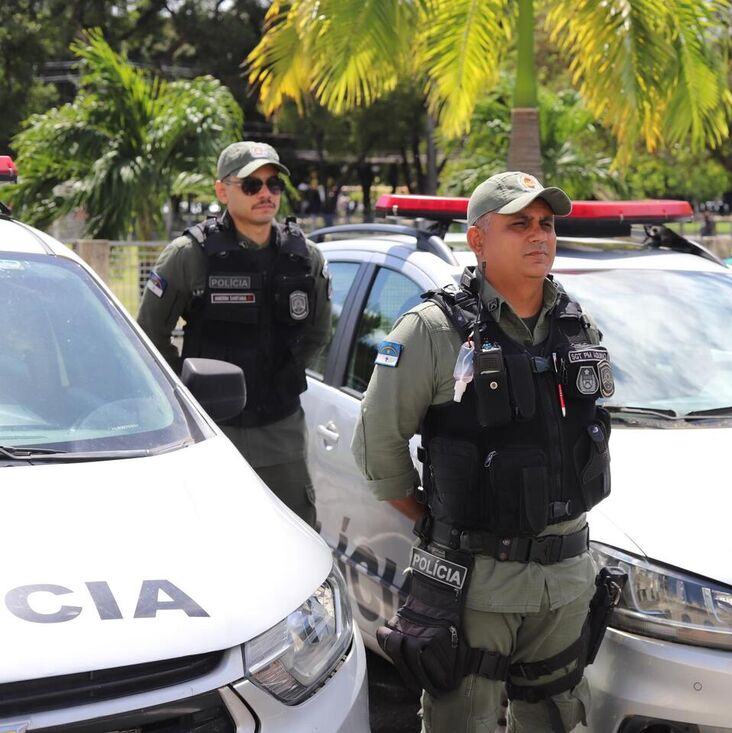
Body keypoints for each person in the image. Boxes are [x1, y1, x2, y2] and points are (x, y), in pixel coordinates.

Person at [355, 172, 621, 731]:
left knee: (557, 718)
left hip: (567, 581)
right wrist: (437, 519)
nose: (539, 235)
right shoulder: (431, 329)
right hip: (475, 582)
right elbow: (378, 447)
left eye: (546, 224)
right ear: (477, 241)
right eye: (519, 223)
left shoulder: (577, 324)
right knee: (464, 721)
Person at [137, 141, 332, 526]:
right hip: (209, 431)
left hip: (281, 431)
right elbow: (149, 336)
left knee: (295, 538)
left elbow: (317, 333)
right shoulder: (188, 255)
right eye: (251, 185)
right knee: (208, 536)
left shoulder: (306, 256)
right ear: (222, 190)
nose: (265, 194)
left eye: (273, 184)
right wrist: (189, 387)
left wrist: (279, 373)